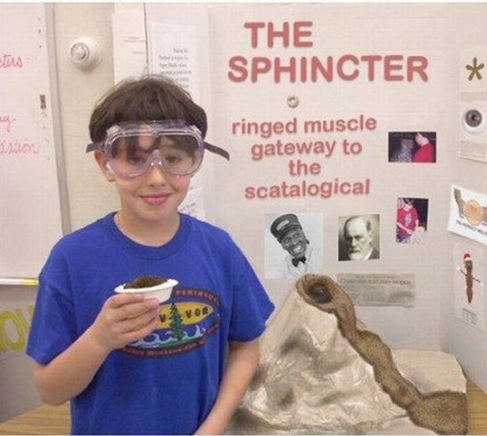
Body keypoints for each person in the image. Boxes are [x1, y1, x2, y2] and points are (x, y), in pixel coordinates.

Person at [26, 75, 274, 435]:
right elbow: (49, 390)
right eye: (135, 159)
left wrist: (212, 428)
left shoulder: (219, 250)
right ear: (105, 163)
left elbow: (245, 349)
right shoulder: (72, 259)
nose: (157, 177)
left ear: (194, 159)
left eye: (173, 158)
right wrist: (99, 339)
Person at [270, 213, 322, 278]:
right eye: (287, 240)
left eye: (296, 236)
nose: (294, 243)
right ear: (283, 246)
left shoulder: (322, 254)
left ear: (304, 235)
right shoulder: (283, 268)